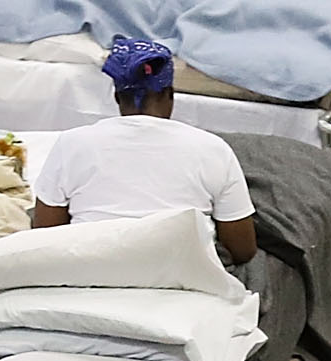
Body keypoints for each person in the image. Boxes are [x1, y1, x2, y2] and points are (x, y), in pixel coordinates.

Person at [30, 35, 257, 264]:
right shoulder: (214, 149)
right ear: (170, 95)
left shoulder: (71, 144)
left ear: (117, 97)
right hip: (185, 275)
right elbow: (242, 250)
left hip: (92, 270)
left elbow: (44, 235)